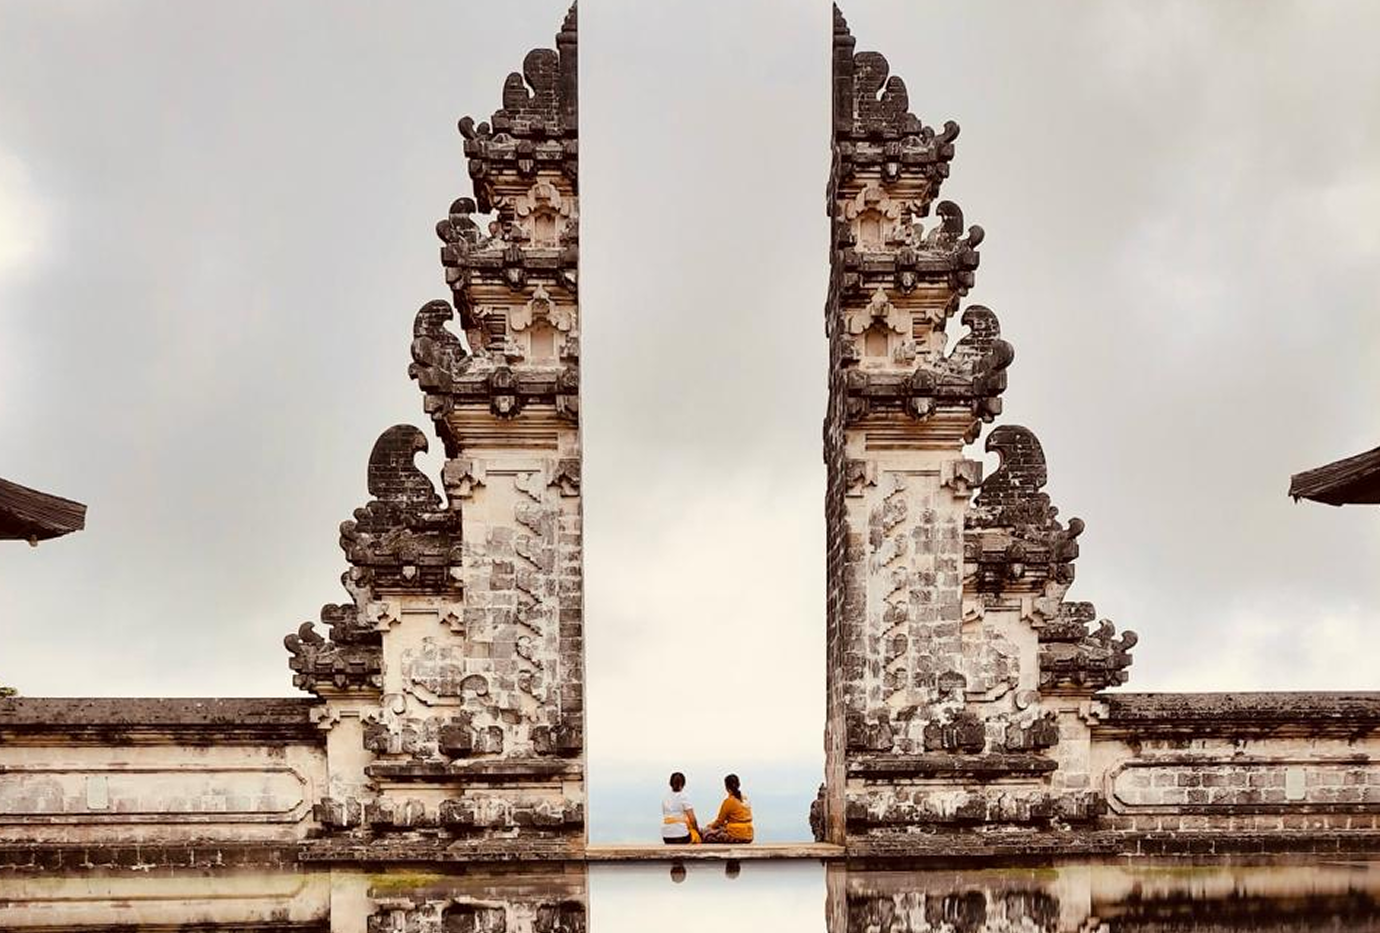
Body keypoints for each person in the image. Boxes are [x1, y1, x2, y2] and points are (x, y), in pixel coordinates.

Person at [701, 773, 753, 844]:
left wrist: (709, 826)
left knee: (706, 835)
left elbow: (719, 822)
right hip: (749, 836)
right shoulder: (745, 798)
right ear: (739, 784)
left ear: (726, 787)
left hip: (736, 836)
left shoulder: (729, 801)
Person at [661, 771, 700, 845]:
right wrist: (698, 831)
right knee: (696, 836)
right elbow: (692, 820)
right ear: (684, 784)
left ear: (670, 783)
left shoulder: (665, 798)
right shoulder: (684, 797)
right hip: (682, 836)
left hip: (666, 837)